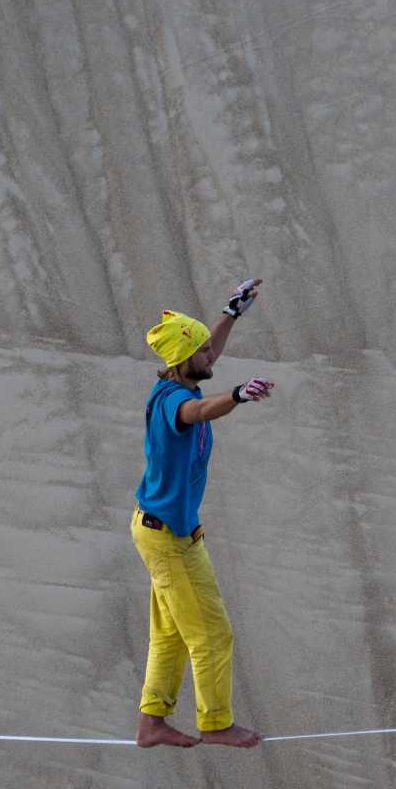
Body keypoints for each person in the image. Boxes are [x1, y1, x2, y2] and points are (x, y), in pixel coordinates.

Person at [131, 278, 274, 748]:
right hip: (167, 537)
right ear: (182, 359)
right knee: (213, 634)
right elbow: (201, 413)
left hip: (173, 533)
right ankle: (215, 723)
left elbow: (206, 349)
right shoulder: (177, 401)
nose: (211, 356)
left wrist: (232, 312)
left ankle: (152, 722)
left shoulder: (182, 377)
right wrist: (237, 396)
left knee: (171, 633)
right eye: (203, 353)